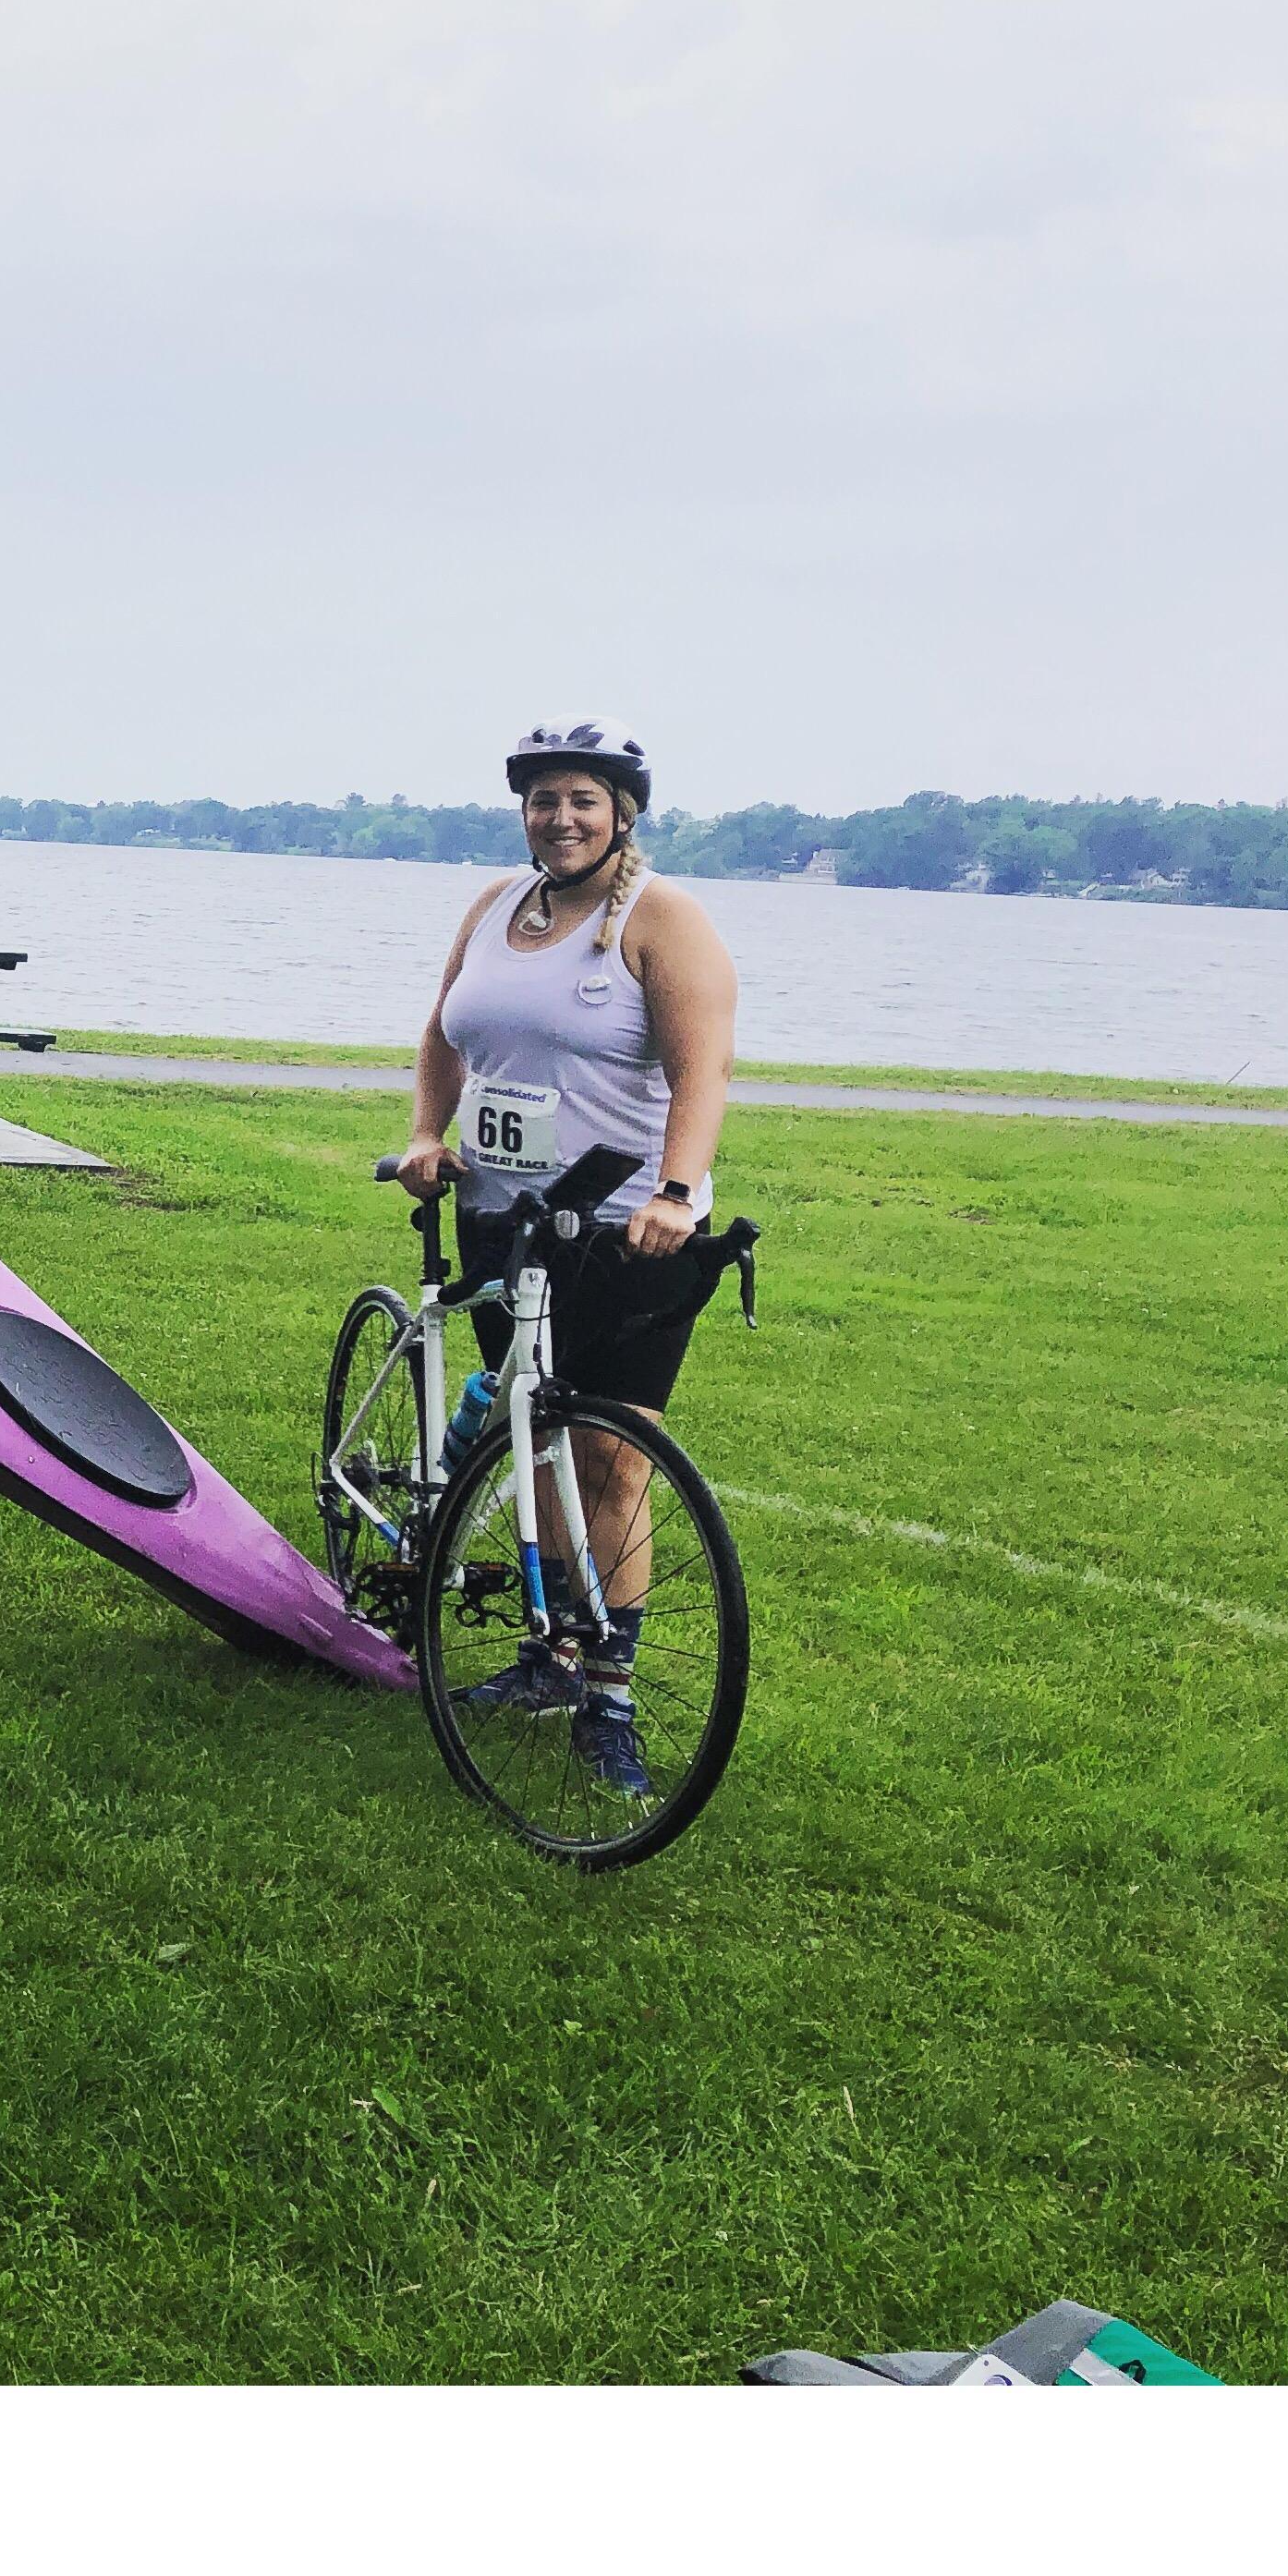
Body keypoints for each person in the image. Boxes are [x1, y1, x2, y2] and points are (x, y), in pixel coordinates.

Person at [391, 718, 740, 1795]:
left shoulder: (661, 918)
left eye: (583, 798)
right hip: (505, 1219)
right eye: (544, 799)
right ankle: (547, 1660)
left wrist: (678, 1192)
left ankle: (612, 1694)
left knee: (615, 1456)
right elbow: (445, 1032)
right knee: (534, 1439)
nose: (562, 817)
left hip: (625, 1226)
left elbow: (703, 1071)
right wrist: (424, 1134)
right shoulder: (498, 908)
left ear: (621, 811)